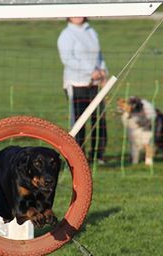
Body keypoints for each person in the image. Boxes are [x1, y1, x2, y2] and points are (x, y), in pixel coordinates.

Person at [57, 17, 107, 164]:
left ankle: (98, 155)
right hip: (76, 83)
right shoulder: (66, 35)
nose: (77, 15)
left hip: (95, 82)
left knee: (99, 119)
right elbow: (67, 59)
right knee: (79, 120)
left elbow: (99, 55)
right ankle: (79, 156)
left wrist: (103, 71)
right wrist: (90, 70)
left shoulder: (91, 31)